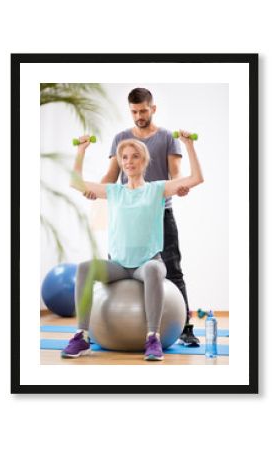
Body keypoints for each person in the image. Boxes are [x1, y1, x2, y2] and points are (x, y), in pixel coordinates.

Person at [61, 133, 203, 361]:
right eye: (124, 157)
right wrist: (81, 150)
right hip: (118, 265)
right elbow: (75, 182)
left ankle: (153, 338)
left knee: (155, 269)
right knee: (85, 268)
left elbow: (196, 178)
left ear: (144, 161)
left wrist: (188, 145)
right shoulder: (113, 191)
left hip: (147, 263)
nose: (129, 161)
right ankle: (81, 336)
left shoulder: (157, 189)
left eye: (135, 156)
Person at [87, 87, 200, 346]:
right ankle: (102, 325)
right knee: (115, 267)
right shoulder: (120, 138)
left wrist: (181, 186)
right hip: (125, 212)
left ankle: (184, 327)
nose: (138, 115)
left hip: (159, 211)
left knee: (173, 269)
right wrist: (95, 193)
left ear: (153, 109)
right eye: (134, 111)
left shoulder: (166, 139)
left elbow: (176, 173)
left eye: (143, 111)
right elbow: (111, 176)